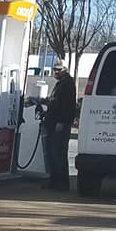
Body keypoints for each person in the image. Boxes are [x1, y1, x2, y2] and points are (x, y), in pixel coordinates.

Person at [42, 60, 77, 191]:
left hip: (60, 124)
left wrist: (62, 122)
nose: (56, 72)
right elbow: (56, 102)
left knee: (58, 153)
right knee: (52, 153)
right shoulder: (61, 84)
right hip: (53, 122)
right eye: (54, 69)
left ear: (65, 70)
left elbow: (68, 106)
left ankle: (62, 183)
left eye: (59, 69)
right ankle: (54, 181)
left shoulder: (67, 85)